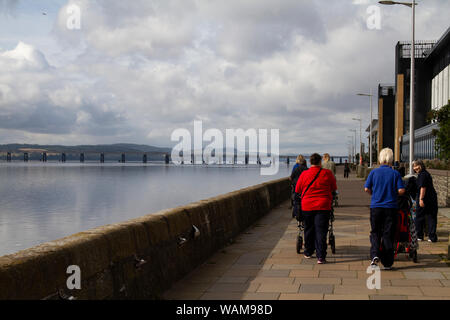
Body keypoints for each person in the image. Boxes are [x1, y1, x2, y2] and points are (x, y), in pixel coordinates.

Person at [364, 148, 405, 270]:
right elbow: (401, 190)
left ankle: (375, 255)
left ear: (380, 158)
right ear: (391, 159)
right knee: (388, 234)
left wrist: (374, 194)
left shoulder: (373, 172)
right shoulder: (395, 173)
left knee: (375, 232)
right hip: (390, 207)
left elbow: (366, 188)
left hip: (376, 207)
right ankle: (387, 262)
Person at [295, 153, 337, 264]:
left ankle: (308, 252)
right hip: (323, 206)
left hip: (307, 206)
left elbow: (298, 189)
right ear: (320, 162)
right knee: (321, 230)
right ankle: (321, 256)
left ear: (310, 162)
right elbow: (333, 187)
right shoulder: (327, 173)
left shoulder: (304, 174)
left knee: (308, 229)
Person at [413, 160, 438, 243]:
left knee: (419, 217)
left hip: (425, 198)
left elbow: (423, 188)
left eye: (417, 166)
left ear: (421, 165)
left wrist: (421, 199)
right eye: (414, 166)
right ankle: (432, 237)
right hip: (432, 198)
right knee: (431, 217)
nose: (415, 168)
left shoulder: (422, 175)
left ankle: (419, 235)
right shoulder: (425, 174)